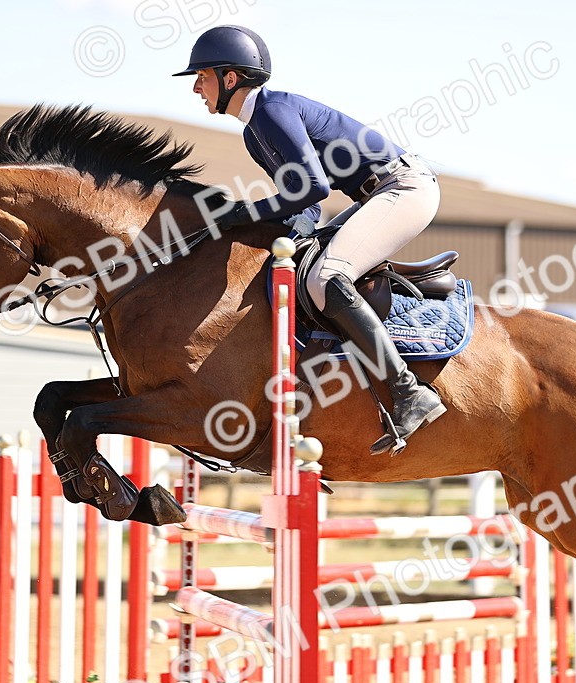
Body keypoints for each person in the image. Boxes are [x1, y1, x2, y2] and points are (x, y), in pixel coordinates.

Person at [173, 25, 445, 456]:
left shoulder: (272, 112)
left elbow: (312, 187)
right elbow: (306, 205)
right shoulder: (254, 131)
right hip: (378, 193)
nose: (195, 88)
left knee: (327, 277)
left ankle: (409, 392)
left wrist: (242, 213)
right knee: (306, 265)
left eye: (202, 77)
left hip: (403, 188)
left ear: (230, 78)